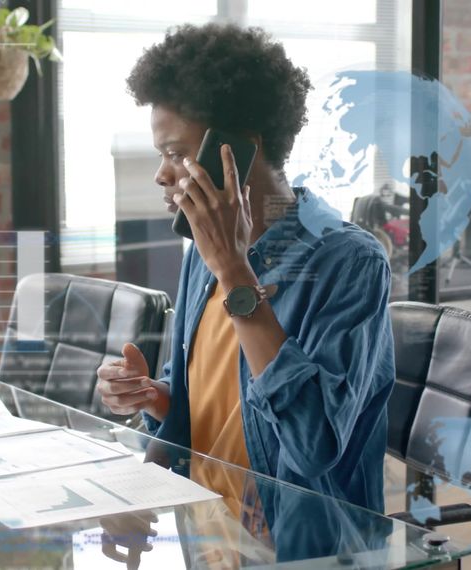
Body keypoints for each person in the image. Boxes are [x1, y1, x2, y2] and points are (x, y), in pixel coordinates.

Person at [96, 22, 395, 558]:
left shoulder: (348, 261)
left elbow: (315, 445)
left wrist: (235, 273)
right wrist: (153, 396)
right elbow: (197, 408)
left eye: (175, 152)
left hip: (300, 552)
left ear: (234, 150)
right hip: (204, 534)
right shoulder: (200, 257)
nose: (162, 175)